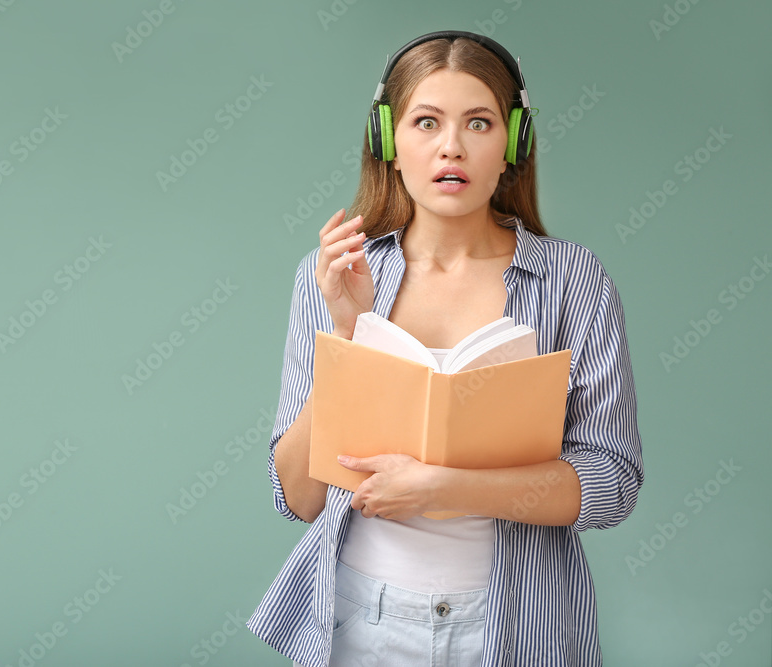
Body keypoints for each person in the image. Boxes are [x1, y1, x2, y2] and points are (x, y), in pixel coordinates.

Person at [246, 30, 644, 667]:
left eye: (479, 123)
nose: (451, 147)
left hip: (517, 626)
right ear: (388, 143)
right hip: (358, 621)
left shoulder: (575, 280)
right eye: (426, 121)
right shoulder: (330, 274)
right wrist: (349, 334)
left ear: (512, 144)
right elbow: (298, 496)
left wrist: (444, 488)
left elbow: (611, 482)